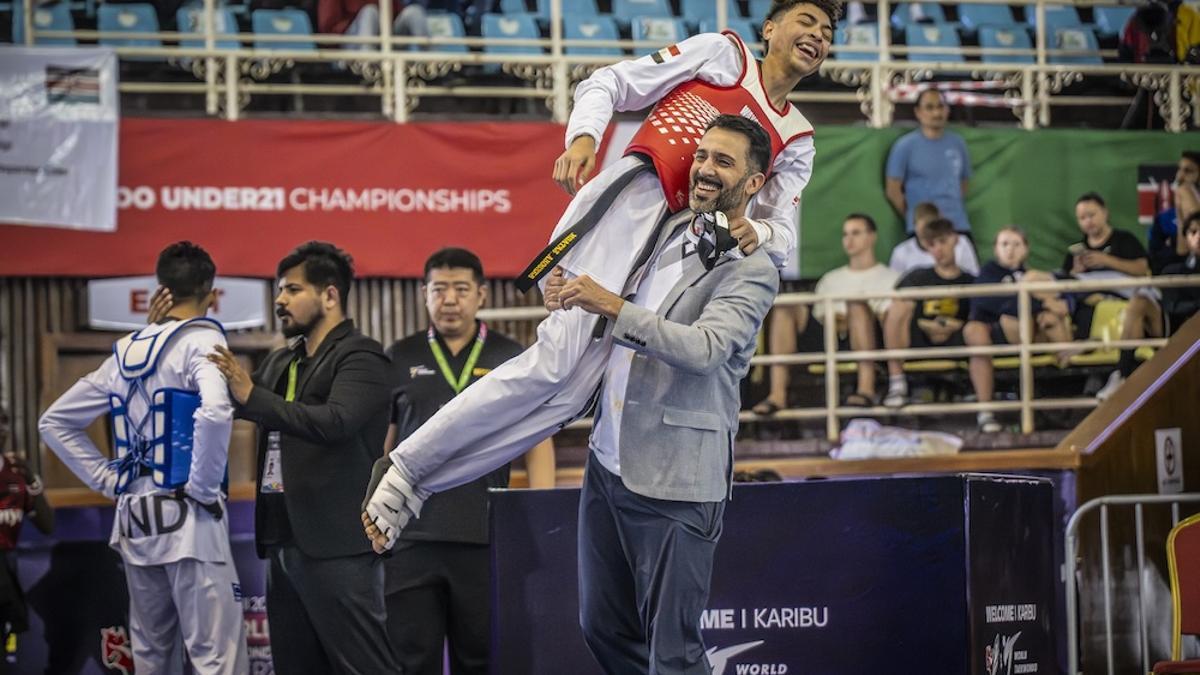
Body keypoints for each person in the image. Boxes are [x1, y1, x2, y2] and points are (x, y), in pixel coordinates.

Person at [361, 0, 843, 547]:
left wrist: (759, 231)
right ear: (770, 27)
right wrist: (584, 135)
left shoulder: (797, 137)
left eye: (827, 32)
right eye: (807, 22)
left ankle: (419, 482)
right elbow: (608, 82)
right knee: (554, 365)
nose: (817, 35)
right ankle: (406, 465)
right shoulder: (722, 54)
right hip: (628, 209)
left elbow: (783, 232)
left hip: (680, 250)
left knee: (572, 397)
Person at [373, 114, 780, 674]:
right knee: (603, 629)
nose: (705, 168)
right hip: (607, 468)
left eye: (723, 162)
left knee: (675, 652)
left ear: (754, 183)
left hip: (677, 479)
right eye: (703, 155)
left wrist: (611, 305)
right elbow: (607, 284)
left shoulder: (753, 269)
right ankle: (413, 475)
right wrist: (568, 289)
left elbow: (705, 349)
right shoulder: (664, 226)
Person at [38, 242, 247, 674]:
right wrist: (203, 487)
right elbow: (215, 410)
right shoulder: (204, 339)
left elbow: (54, 422)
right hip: (190, 519)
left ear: (161, 290)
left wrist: (106, 478)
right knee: (216, 657)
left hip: (134, 518)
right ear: (211, 295)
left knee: (151, 655)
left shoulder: (124, 352)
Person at [206, 241, 398, 675]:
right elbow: (237, 401)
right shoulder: (282, 360)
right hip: (282, 537)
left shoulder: (362, 356)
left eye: (292, 290)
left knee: (365, 667)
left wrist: (252, 395)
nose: (280, 300)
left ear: (330, 295)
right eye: (280, 290)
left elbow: (336, 422)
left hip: (338, 547)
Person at [381, 247, 555, 675]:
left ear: (481, 295)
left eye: (461, 289)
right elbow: (384, 446)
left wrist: (543, 511)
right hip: (411, 536)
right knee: (410, 661)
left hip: (485, 534)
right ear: (424, 295)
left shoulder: (511, 356)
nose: (450, 300)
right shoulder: (397, 357)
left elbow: (537, 442)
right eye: (439, 289)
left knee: (479, 659)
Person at [753, 213, 898, 413]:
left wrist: (853, 317)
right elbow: (820, 317)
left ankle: (866, 389)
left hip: (869, 340)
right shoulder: (830, 279)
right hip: (828, 337)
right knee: (786, 307)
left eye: (856, 233)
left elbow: (889, 320)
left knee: (857, 306)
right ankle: (777, 395)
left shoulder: (890, 278)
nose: (849, 239)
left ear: (872, 237)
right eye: (845, 234)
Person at [962, 227, 1073, 433]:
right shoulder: (988, 273)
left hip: (1032, 332)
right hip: (1000, 333)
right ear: (995, 249)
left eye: (1016, 244)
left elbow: (1063, 296)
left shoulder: (1031, 274)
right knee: (977, 332)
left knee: (1049, 315)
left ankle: (1067, 362)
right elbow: (993, 303)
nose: (1010, 250)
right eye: (1004, 244)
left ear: (1026, 249)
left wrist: (1056, 305)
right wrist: (1042, 303)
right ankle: (986, 412)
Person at [1061, 192, 1162, 401]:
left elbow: (1142, 268)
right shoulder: (1075, 251)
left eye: (1092, 215)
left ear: (1105, 212)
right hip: (1089, 317)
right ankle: (1086, 346)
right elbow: (1065, 286)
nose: (1088, 221)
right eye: (1082, 218)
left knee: (1135, 304)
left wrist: (1107, 261)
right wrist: (1076, 272)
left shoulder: (1125, 240)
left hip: (1125, 312)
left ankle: (1120, 373)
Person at [882, 218, 976, 408]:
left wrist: (953, 326)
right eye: (932, 245)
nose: (938, 249)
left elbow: (977, 318)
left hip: (958, 341)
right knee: (897, 307)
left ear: (955, 240)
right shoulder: (916, 277)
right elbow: (899, 312)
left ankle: (975, 386)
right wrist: (928, 325)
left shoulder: (971, 281)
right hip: (918, 340)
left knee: (977, 328)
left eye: (943, 242)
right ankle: (897, 383)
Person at [0, 404, 53, 668]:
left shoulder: (16, 474)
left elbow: (47, 525)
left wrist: (32, 479)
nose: (1, 428)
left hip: (6, 578)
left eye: (4, 421)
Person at [885, 89, 973, 235]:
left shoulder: (958, 144)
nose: (936, 113)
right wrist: (915, 217)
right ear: (918, 112)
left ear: (947, 110)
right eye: (929, 107)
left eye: (940, 106)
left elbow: (963, 184)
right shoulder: (904, 146)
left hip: (957, 226)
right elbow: (893, 191)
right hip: (922, 230)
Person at [888, 201, 980, 276]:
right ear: (914, 226)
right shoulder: (900, 252)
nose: (936, 249)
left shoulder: (961, 243)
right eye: (923, 235)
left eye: (929, 231)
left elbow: (973, 275)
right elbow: (894, 286)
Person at [1149, 150, 1200, 273]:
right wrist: (1180, 209)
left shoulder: (1185, 192)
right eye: (1179, 169)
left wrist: (1187, 194)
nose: (1180, 176)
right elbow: (1182, 251)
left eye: (1188, 171)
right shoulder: (1163, 218)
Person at [318, 0, 428, 49]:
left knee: (414, 12)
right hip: (351, 45)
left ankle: (430, 66)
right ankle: (367, 66)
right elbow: (327, 28)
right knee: (369, 12)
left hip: (386, 40)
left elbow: (397, 12)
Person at [1161, 212, 1200, 334]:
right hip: (1184, 335)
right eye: (1193, 232)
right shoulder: (1171, 273)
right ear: (1186, 238)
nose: (1199, 237)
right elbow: (1172, 307)